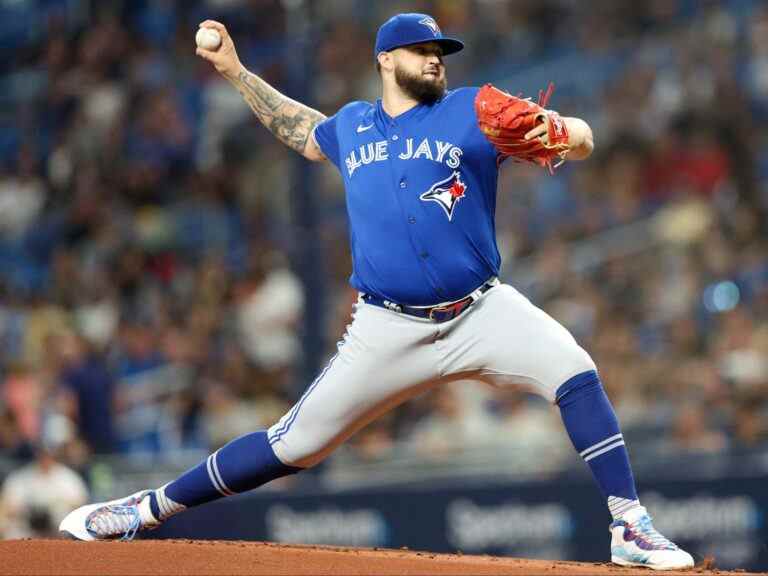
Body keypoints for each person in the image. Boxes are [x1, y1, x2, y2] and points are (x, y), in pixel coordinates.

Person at [60, 13, 694, 570]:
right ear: (386, 60)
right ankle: (148, 507)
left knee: (574, 368)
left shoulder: (474, 108)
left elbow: (578, 140)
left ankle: (629, 523)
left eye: (441, 54)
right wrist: (233, 69)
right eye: (423, 51)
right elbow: (301, 130)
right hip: (387, 327)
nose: (435, 62)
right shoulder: (353, 126)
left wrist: (567, 129)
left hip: (481, 310)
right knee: (294, 446)